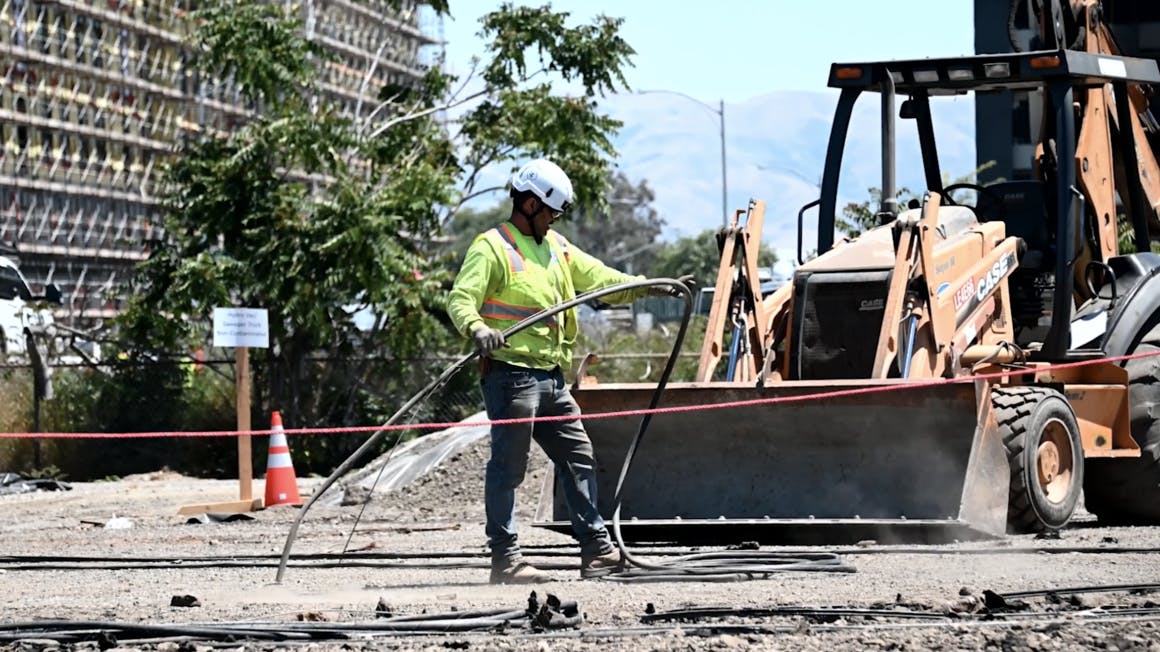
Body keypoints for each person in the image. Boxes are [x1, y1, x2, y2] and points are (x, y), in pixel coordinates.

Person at [447, 158, 691, 584]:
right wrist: (478, 328)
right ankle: (505, 560)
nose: (554, 219)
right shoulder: (492, 248)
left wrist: (648, 285)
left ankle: (596, 549)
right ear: (527, 204)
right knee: (509, 467)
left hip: (552, 378)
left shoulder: (555, 246)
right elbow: (460, 299)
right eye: (550, 211)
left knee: (578, 455)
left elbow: (600, 279)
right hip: (512, 376)